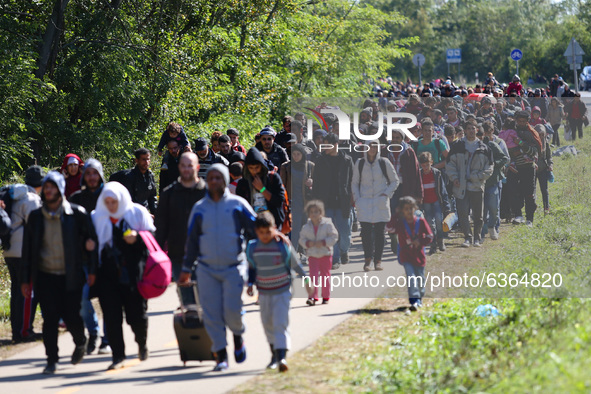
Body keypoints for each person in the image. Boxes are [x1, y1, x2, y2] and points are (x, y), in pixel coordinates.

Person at [179, 164, 256, 372]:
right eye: (211, 178)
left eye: (218, 178)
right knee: (212, 314)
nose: (214, 181)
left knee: (232, 310)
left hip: (234, 267)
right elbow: (192, 242)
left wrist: (262, 258)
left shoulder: (238, 205)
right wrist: (186, 269)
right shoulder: (199, 208)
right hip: (206, 269)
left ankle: (238, 337)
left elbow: (256, 232)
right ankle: (221, 356)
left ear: (224, 180)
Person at [21, 171, 96, 374]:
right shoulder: (35, 217)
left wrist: (91, 270)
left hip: (71, 275)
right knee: (50, 319)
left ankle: (80, 341)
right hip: (45, 276)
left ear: (61, 189)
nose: (49, 190)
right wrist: (25, 280)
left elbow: (91, 243)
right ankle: (51, 360)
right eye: (46, 187)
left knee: (72, 317)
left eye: (53, 187)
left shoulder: (77, 214)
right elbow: (27, 250)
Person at [91, 182, 155, 370]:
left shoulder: (137, 212)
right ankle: (117, 356)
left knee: (137, 315)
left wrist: (138, 238)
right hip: (107, 275)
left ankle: (142, 343)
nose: (111, 206)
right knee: (111, 317)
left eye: (115, 202)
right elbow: (91, 244)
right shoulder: (97, 217)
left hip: (134, 273)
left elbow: (153, 238)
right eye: (107, 202)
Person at [246, 211, 308, 372]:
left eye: (268, 232)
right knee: (267, 324)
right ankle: (273, 354)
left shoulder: (282, 245)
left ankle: (281, 357)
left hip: (282, 291)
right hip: (264, 293)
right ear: (256, 232)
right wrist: (250, 284)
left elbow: (294, 263)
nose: (265, 236)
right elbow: (252, 268)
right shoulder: (253, 247)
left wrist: (306, 278)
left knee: (280, 323)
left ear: (274, 228)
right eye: (261, 233)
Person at [69, 159, 111, 355]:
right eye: (88, 173)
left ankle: (107, 339)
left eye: (95, 173)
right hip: (85, 258)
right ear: (84, 176)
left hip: (108, 256)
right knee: (82, 299)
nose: (92, 177)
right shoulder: (76, 198)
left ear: (100, 175)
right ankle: (93, 333)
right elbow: (71, 228)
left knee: (108, 300)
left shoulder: (110, 196)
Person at [155, 152, 207, 304]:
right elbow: (161, 226)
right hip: (178, 255)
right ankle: (190, 324)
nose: (186, 169)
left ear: (197, 167)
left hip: (205, 255)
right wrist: (158, 254)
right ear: (179, 167)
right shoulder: (168, 194)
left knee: (204, 299)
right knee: (187, 300)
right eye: (183, 166)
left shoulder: (208, 193)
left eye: (190, 166)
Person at [3, 166, 44, 344]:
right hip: (23, 251)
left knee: (16, 291)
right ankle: (24, 331)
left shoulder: (13, 195)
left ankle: (16, 332)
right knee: (27, 291)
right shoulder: (32, 199)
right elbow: (36, 227)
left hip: (9, 249)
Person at [352, 143, 399, 271]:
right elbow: (355, 182)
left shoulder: (384, 162)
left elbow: (394, 180)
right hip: (364, 202)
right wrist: (357, 198)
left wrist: (386, 194)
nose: (372, 149)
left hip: (380, 202)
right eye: (370, 146)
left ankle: (378, 260)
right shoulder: (360, 163)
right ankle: (368, 260)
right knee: (365, 233)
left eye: (375, 146)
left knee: (380, 233)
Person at [446, 120, 493, 247]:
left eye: (474, 128)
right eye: (469, 128)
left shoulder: (484, 148)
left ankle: (477, 238)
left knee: (478, 215)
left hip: (476, 186)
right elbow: (450, 164)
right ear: (465, 130)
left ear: (476, 130)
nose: (471, 130)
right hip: (460, 186)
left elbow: (489, 168)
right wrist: (454, 177)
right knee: (462, 213)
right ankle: (467, 237)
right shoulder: (457, 147)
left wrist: (477, 177)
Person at [311, 133, 353, 269]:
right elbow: (316, 183)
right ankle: (335, 259)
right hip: (326, 202)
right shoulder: (320, 160)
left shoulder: (347, 160)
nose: (324, 148)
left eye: (327, 145)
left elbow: (352, 180)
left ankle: (344, 250)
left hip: (343, 201)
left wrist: (353, 197)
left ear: (336, 145)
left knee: (345, 231)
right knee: (330, 232)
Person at [386, 196, 433, 311]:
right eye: (406, 209)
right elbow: (389, 228)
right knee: (411, 278)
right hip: (406, 256)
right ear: (402, 210)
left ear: (415, 208)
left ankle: (420, 297)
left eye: (411, 208)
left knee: (420, 279)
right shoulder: (400, 223)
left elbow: (430, 236)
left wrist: (420, 242)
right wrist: (396, 215)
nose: (409, 211)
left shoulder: (420, 222)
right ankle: (414, 300)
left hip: (419, 256)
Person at [506, 111, 542, 226]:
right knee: (514, 191)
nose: (521, 123)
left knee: (529, 193)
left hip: (528, 167)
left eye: (524, 121)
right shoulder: (511, 132)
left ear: (527, 121)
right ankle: (518, 215)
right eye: (519, 121)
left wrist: (521, 144)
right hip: (514, 167)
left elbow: (534, 152)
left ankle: (529, 219)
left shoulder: (532, 134)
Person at [299, 200, 338, 306]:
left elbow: (334, 236)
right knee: (313, 276)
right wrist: (307, 243)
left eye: (316, 212)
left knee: (325, 276)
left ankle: (325, 296)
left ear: (321, 212)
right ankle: (312, 297)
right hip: (312, 254)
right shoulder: (306, 227)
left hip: (325, 253)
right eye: (311, 212)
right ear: (308, 214)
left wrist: (325, 242)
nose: (314, 214)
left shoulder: (327, 224)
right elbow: (301, 239)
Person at [236, 147, 286, 231]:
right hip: (251, 224)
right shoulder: (243, 183)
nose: (254, 171)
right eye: (251, 168)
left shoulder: (273, 178)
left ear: (262, 166)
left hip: (273, 223)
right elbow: (240, 204)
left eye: (257, 167)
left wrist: (262, 189)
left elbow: (279, 200)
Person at [280, 143, 314, 262]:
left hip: (306, 202)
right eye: (293, 154)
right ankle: (292, 254)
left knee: (305, 228)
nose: (295, 156)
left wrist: (312, 182)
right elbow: (282, 185)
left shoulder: (310, 166)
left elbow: (318, 184)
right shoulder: (286, 166)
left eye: (298, 154)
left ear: (303, 154)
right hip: (292, 202)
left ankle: (303, 252)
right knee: (294, 229)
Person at [479, 126, 509, 240]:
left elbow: (504, 159)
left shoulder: (492, 145)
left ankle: (493, 227)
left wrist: (492, 164)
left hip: (493, 181)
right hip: (479, 182)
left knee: (494, 208)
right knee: (481, 210)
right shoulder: (473, 147)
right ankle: (481, 232)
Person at [418, 152, 450, 254]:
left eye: (427, 165)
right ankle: (433, 244)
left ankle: (440, 241)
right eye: (423, 165)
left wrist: (446, 204)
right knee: (430, 224)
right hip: (426, 203)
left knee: (438, 222)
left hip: (436, 201)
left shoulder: (437, 173)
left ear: (431, 162)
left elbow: (443, 190)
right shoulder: (419, 175)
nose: (425, 167)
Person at [124, 148, 157, 216]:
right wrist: (145, 214)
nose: (146, 162)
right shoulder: (130, 177)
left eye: (148, 159)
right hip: (133, 214)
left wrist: (156, 214)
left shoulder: (150, 176)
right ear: (137, 161)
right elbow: (129, 200)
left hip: (146, 213)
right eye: (143, 159)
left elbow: (152, 198)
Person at [534, 125, 553, 215]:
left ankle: (546, 208)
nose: (540, 136)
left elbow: (549, 157)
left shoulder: (546, 143)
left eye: (542, 134)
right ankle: (532, 207)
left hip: (543, 170)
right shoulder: (532, 143)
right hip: (533, 170)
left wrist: (550, 165)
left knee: (544, 190)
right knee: (532, 190)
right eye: (539, 134)